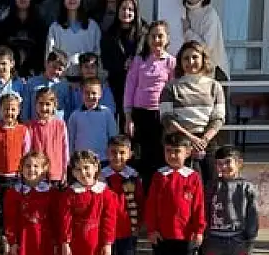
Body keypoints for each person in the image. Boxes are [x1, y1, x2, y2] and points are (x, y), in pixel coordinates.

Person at [144, 133, 205, 255]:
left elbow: (198, 206)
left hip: (185, 236)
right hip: (162, 236)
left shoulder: (193, 177)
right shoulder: (159, 176)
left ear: (187, 152)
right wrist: (152, 229)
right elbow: (151, 205)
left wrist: (199, 230)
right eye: (168, 151)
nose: (172, 155)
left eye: (176, 151)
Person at [159, 40, 225, 189]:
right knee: (185, 189)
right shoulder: (171, 87)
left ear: (203, 59)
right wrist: (191, 139)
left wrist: (203, 140)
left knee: (210, 187)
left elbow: (218, 118)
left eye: (195, 57)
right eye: (186, 58)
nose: (190, 62)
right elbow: (167, 119)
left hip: (207, 143)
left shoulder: (215, 87)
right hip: (180, 142)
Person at [204, 145, 258, 255]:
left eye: (228, 162)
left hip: (238, 238)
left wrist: (250, 237)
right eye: (219, 164)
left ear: (239, 163)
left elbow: (253, 213)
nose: (224, 167)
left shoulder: (247, 187)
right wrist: (204, 234)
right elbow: (203, 210)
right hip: (214, 238)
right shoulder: (211, 186)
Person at [123, 20, 175, 192]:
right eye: (153, 36)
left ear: (167, 39)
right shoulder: (139, 61)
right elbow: (130, 88)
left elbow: (173, 91)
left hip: (160, 116)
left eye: (160, 36)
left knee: (159, 156)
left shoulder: (171, 62)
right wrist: (128, 117)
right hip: (140, 115)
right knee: (139, 157)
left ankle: (157, 194)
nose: (156, 40)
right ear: (147, 39)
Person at [100, 135, 143, 255]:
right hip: (104, 232)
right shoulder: (101, 176)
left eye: (122, 153)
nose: (117, 157)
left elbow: (140, 201)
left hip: (127, 229)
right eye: (113, 152)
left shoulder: (133, 176)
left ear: (129, 154)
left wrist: (138, 224)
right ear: (107, 153)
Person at [0, 93, 31, 255]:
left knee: (11, 209)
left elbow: (26, 153)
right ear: (0, 109)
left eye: (13, 109)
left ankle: (7, 238)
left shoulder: (23, 130)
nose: (9, 113)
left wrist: (24, 174)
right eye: (6, 109)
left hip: (15, 177)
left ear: (18, 111)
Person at [101, 0, 146, 130]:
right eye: (123, 9)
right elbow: (105, 60)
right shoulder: (110, 33)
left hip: (139, 84)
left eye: (130, 9)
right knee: (120, 123)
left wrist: (135, 63)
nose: (126, 12)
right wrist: (121, 65)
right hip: (117, 84)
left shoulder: (144, 32)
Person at [46, 0, 102, 80]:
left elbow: (98, 53)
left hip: (87, 81)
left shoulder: (92, 26)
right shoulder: (55, 27)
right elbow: (49, 54)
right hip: (62, 80)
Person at [67, 77, 117, 162]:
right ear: (81, 94)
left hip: (102, 158)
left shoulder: (106, 113)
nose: (90, 96)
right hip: (81, 160)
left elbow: (113, 135)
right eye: (87, 93)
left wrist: (112, 155)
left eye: (94, 93)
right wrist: (70, 157)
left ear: (100, 94)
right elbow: (71, 139)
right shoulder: (75, 115)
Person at [28, 88, 70, 185]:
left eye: (47, 104)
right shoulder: (30, 126)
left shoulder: (60, 125)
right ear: (35, 105)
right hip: (37, 174)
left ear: (54, 105)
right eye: (41, 104)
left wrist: (65, 171)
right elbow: (28, 151)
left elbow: (65, 150)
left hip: (56, 173)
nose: (44, 108)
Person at [182, 0, 229, 81]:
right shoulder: (183, 10)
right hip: (194, 73)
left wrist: (188, 32)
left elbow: (207, 47)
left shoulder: (209, 14)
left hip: (214, 71)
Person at [0, 0, 48, 78]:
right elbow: (2, 50)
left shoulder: (40, 25)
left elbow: (42, 51)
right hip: (10, 73)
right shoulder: (5, 24)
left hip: (34, 74)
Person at [23, 50, 72, 121]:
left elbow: (67, 111)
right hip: (35, 125)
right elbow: (25, 110)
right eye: (54, 67)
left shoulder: (64, 86)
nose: (55, 71)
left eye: (60, 69)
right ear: (46, 63)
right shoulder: (31, 83)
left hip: (56, 126)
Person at [0, 46, 25, 118]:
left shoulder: (20, 84)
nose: (0, 67)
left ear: (12, 63)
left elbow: (23, 108)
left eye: (4, 63)